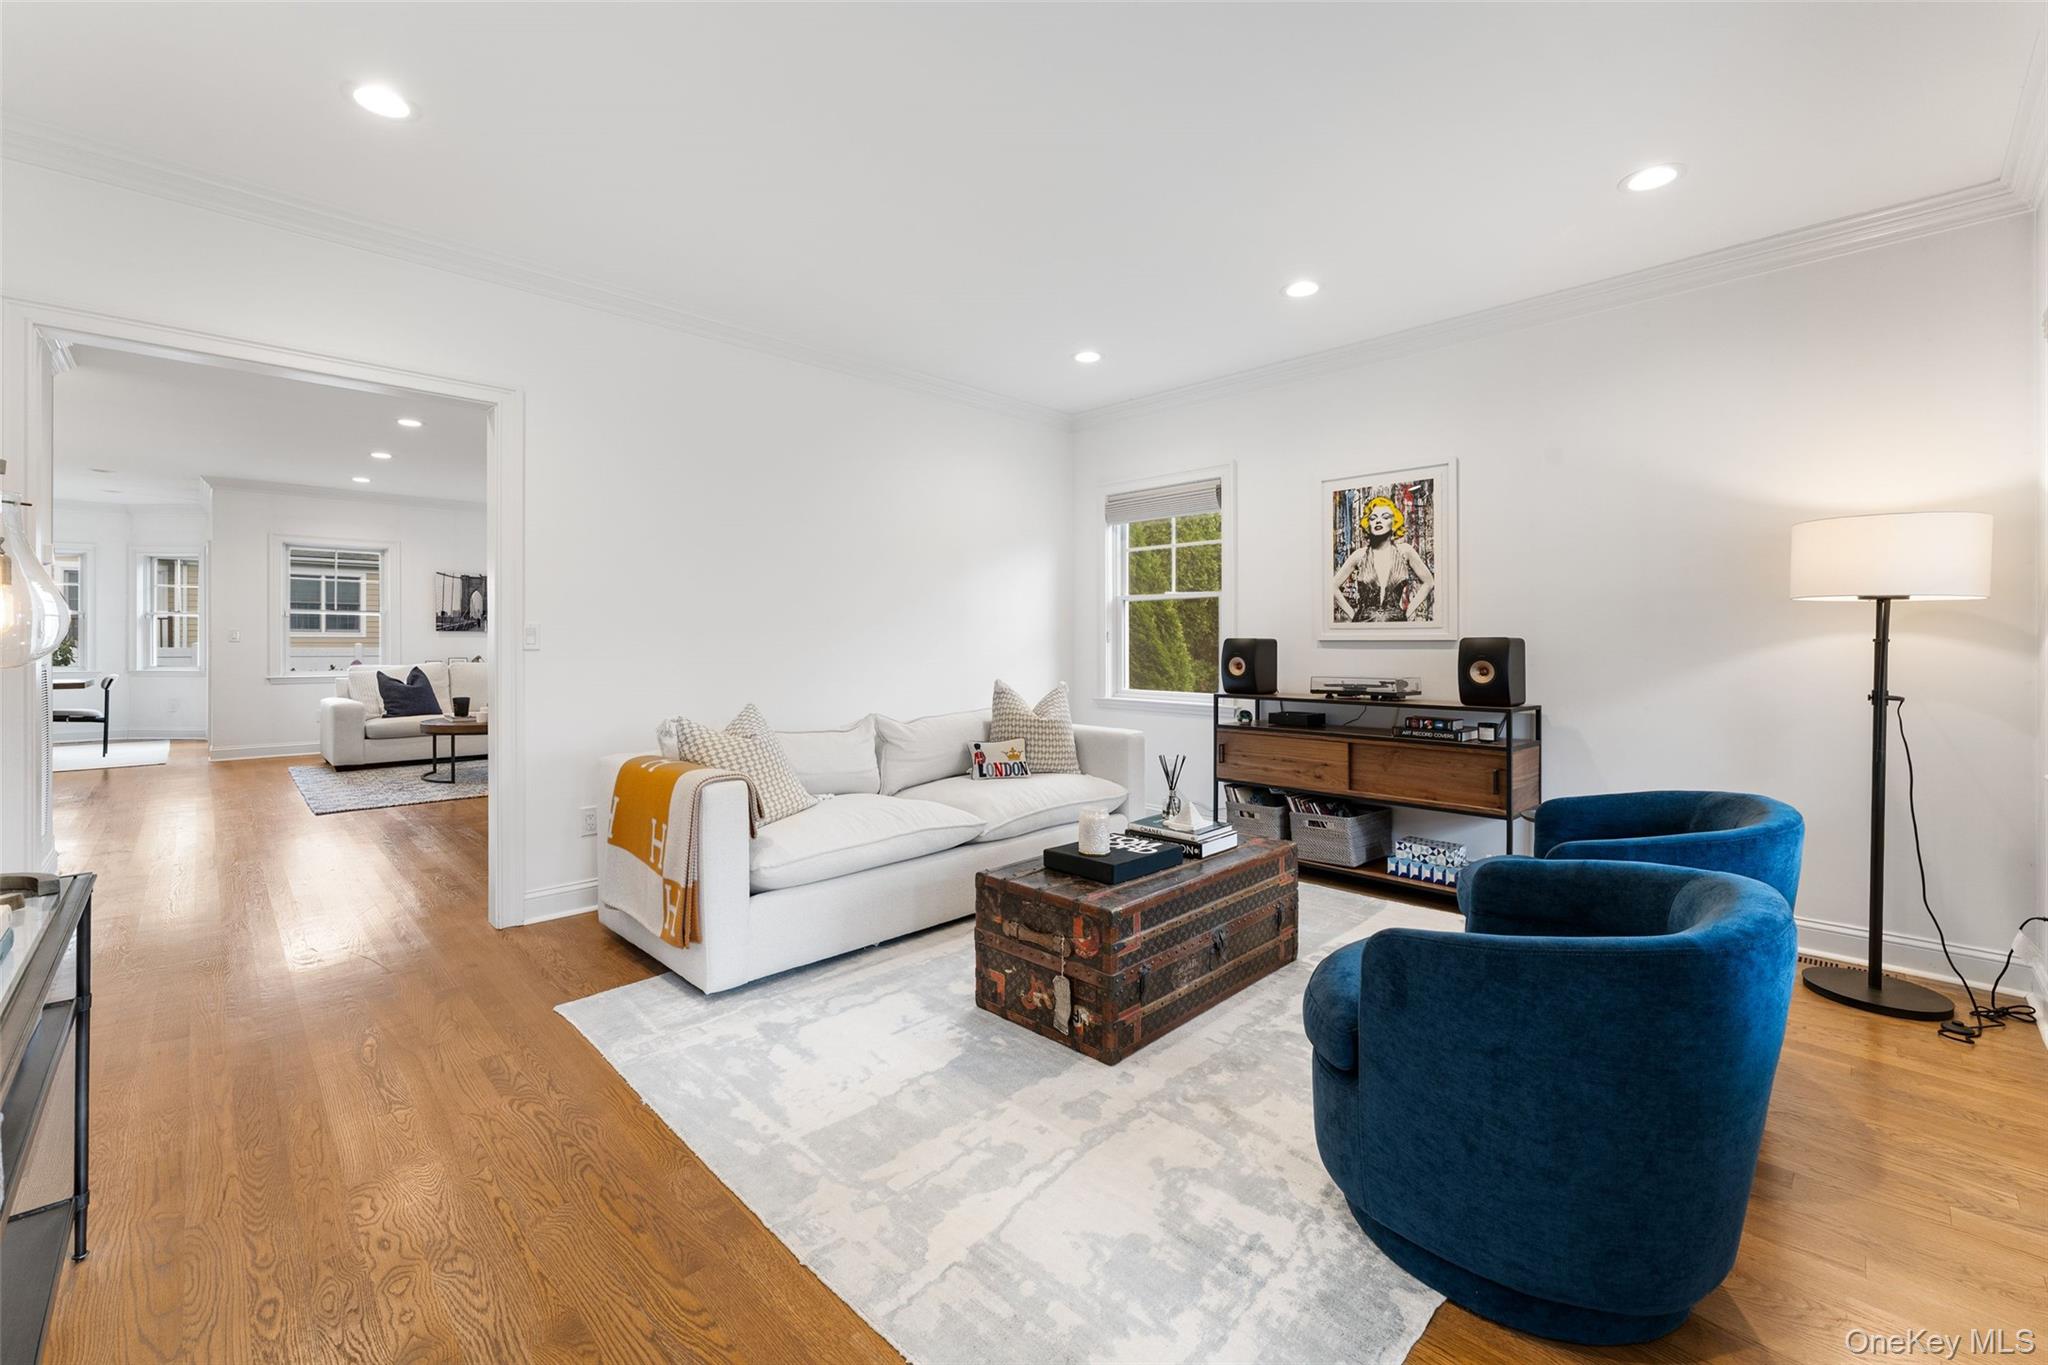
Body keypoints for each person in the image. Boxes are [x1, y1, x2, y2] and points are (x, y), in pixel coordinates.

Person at [1331, 495, 1435, 623]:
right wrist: (1353, 615)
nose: (1378, 521)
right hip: (1363, 625)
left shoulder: (1405, 551)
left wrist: (1408, 612)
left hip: (1397, 624)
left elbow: (1429, 582)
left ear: (1394, 522)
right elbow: (1332, 586)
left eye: (1385, 517)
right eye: (1373, 518)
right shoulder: (1359, 555)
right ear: (1368, 524)